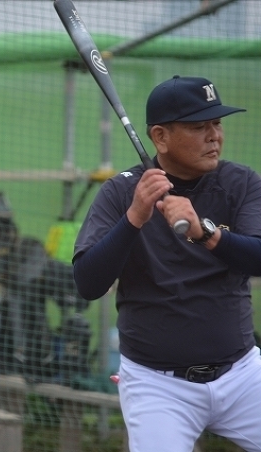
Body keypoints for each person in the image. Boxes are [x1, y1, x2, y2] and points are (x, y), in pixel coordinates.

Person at [73, 75, 261, 452]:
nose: (214, 136)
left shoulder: (240, 182)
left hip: (242, 374)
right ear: (160, 137)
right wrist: (134, 217)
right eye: (199, 126)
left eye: (217, 123)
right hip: (158, 385)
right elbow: (88, 283)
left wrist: (206, 233)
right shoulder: (122, 192)